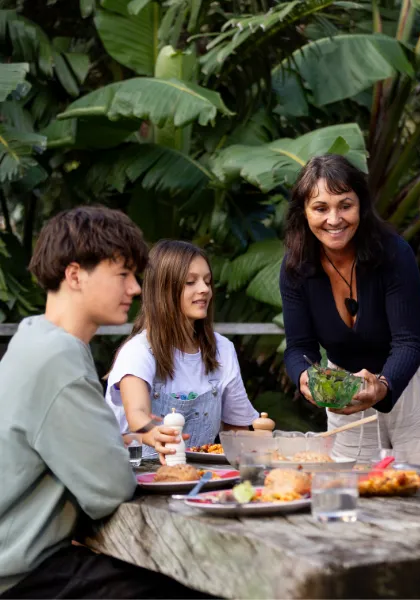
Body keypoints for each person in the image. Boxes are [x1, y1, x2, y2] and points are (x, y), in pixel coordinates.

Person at [0, 206, 207, 598]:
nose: (135, 289)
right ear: (75, 275)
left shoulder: (34, 339)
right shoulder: (56, 359)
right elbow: (110, 489)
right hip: (20, 574)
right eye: (123, 274)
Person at [280, 154, 420, 463]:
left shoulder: (393, 253)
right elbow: (298, 347)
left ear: (361, 205)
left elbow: (408, 340)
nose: (334, 219)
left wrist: (382, 386)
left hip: (416, 382)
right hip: (343, 389)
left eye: (345, 206)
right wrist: (304, 378)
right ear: (304, 213)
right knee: (351, 488)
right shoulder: (296, 266)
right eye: (321, 208)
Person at [106, 240, 258, 461]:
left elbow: (237, 430)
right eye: (190, 282)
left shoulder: (223, 349)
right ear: (163, 289)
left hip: (202, 477)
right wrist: (154, 434)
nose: (204, 289)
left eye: (207, 281)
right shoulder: (138, 351)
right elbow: (136, 414)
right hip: (138, 476)